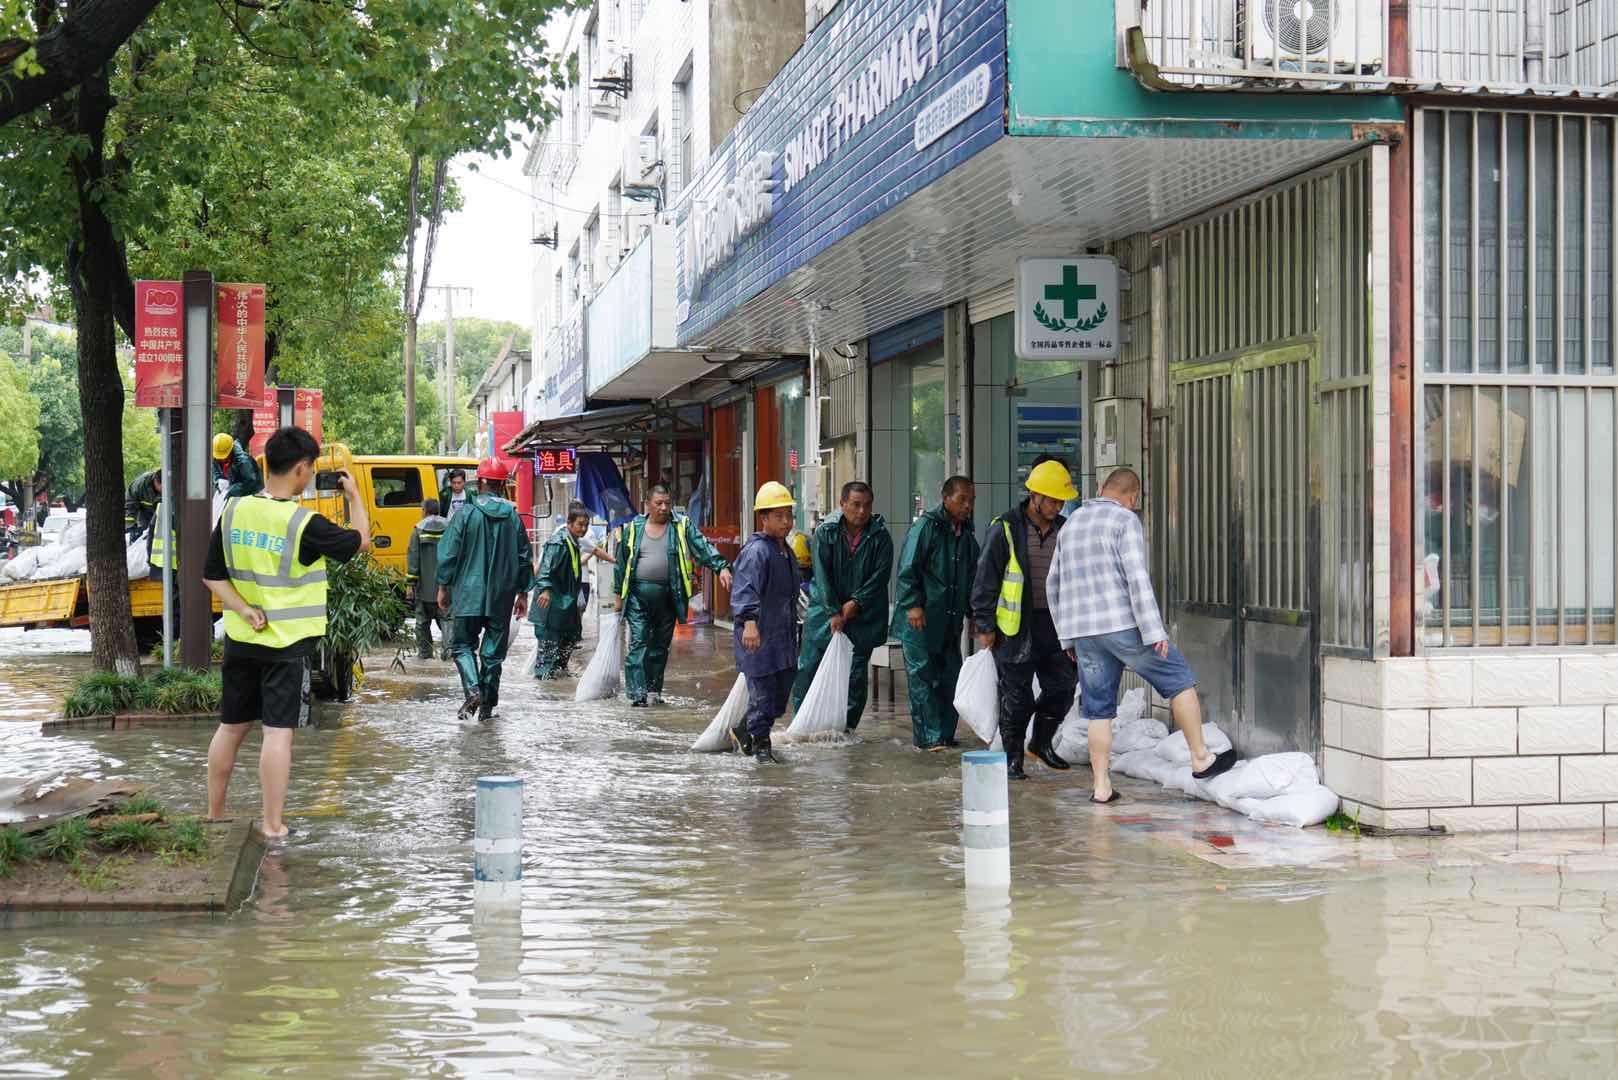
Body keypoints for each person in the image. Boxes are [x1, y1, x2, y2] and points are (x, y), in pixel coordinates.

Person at [203, 426, 369, 841]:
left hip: (241, 640)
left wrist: (244, 609)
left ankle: (215, 815)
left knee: (231, 727)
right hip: (287, 646)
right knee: (278, 734)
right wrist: (354, 498)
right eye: (310, 469)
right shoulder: (303, 523)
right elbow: (361, 543)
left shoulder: (234, 511)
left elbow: (211, 576)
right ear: (300, 469)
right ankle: (273, 825)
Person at [1049, 467, 1237, 803]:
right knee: (1179, 679)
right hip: (1122, 625)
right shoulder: (1124, 521)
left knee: (1097, 709)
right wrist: (1154, 630)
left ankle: (1101, 787)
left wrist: (1067, 638)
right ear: (1132, 497)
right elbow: (1137, 578)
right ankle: (1200, 758)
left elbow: (1054, 584)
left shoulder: (1071, 524)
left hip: (1083, 632)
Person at [971, 460, 1080, 780]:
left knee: (1063, 687)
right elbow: (985, 578)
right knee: (1016, 695)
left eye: (1061, 501)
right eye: (1052, 500)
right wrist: (985, 624)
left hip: (1056, 624)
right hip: (1015, 626)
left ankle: (1041, 743)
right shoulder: (1005, 527)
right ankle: (1012, 757)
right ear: (1034, 495)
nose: (1058, 506)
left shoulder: (1064, 528)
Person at [612, 482, 732, 707]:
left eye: (667, 503)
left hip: (669, 596)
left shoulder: (681, 526)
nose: (664, 508)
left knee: (659, 646)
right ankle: (637, 695)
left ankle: (653, 691)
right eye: (658, 503)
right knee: (638, 644)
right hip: (638, 596)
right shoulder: (633, 528)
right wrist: (618, 596)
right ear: (647, 504)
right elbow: (620, 563)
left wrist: (721, 567)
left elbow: (702, 546)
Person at [791, 481, 893, 734]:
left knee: (855, 677)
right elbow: (821, 574)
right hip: (825, 612)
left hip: (863, 616)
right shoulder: (826, 533)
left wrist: (856, 603)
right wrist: (833, 611)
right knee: (809, 668)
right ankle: (803, 726)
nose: (861, 511)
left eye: (867, 505)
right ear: (842, 504)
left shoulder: (880, 537)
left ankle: (845, 730)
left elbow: (880, 577)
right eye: (856, 505)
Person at [436, 458, 532, 722]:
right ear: (502, 486)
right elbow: (525, 556)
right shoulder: (513, 516)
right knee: (492, 655)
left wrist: (443, 587)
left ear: (480, 482)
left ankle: (473, 690)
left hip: (468, 594)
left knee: (462, 646)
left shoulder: (466, 513)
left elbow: (448, 553)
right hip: (501, 597)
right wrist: (523, 593)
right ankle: (487, 709)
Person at [890, 476, 980, 751]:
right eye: (962, 499)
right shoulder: (926, 528)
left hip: (949, 620)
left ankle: (943, 733)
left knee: (951, 675)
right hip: (920, 620)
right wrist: (913, 605)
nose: (967, 506)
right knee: (922, 677)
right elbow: (908, 569)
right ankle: (929, 737)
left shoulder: (966, 536)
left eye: (971, 500)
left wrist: (974, 615)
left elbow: (972, 578)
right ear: (945, 498)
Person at [728, 482, 802, 764]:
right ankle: (760, 747)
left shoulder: (787, 551)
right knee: (762, 696)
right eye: (779, 516)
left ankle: (743, 730)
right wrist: (749, 623)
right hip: (757, 637)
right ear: (764, 519)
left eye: (788, 515)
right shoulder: (756, 551)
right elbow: (745, 589)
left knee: (779, 697)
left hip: (782, 637)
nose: (786, 522)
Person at [530, 502, 591, 679]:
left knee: (571, 638)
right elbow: (545, 569)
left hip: (565, 603)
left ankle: (559, 673)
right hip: (550, 603)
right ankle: (544, 684)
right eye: (580, 524)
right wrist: (546, 590)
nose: (584, 529)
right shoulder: (558, 542)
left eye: (586, 525)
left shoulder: (572, 541)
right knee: (548, 648)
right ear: (569, 523)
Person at [405, 498, 450, 660]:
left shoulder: (418, 530)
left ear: (424, 511)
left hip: (424, 590)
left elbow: (413, 559)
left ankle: (425, 657)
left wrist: (410, 585)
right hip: (446, 590)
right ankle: (449, 657)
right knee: (447, 622)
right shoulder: (450, 528)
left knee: (422, 624)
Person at [213, 433, 264, 498]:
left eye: (224, 456)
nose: (221, 459)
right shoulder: (215, 456)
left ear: (231, 450)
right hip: (228, 494)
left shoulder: (244, 461)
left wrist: (231, 490)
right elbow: (216, 475)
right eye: (219, 457)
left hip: (250, 495)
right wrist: (218, 482)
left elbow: (250, 482)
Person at [124, 468, 161, 541]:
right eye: (162, 487)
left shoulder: (171, 485)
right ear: (156, 481)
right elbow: (130, 504)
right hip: (144, 511)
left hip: (161, 513)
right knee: (142, 535)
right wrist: (130, 526)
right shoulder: (139, 485)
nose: (164, 490)